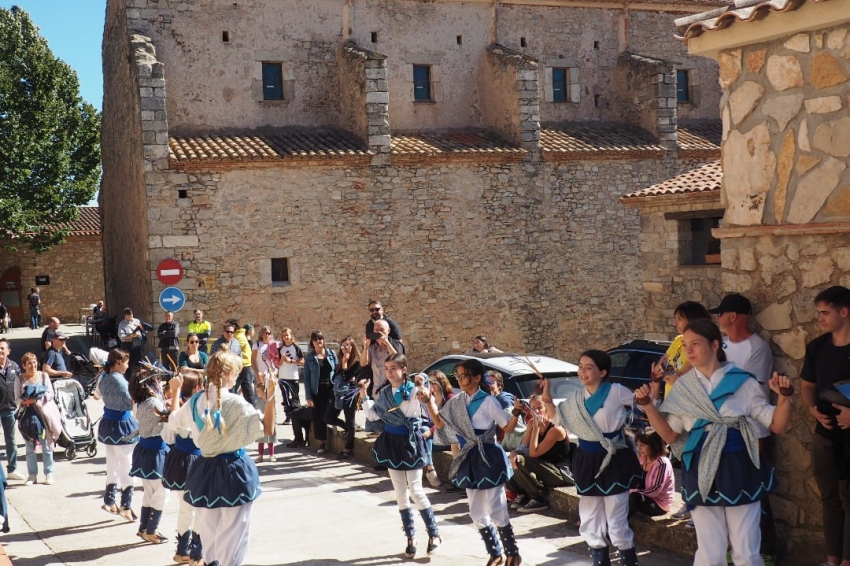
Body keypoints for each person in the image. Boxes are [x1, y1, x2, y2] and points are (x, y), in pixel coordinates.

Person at [635, 319, 792, 566]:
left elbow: (777, 424)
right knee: (710, 552)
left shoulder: (743, 381)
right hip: (701, 468)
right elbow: (670, 435)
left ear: (715, 344)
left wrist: (783, 398)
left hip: (739, 464)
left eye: (695, 344)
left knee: (747, 550)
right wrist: (648, 407)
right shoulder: (683, 387)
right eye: (686, 345)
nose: (688, 350)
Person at [173, 350, 275, 566]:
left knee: (209, 531)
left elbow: (174, 421)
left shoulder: (193, 403)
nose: (237, 377)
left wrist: (175, 393)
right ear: (228, 373)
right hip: (234, 472)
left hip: (205, 471)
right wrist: (272, 395)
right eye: (236, 372)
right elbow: (267, 428)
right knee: (235, 535)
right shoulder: (237, 403)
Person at [541, 350, 643, 566]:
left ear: (603, 372)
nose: (582, 372)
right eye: (580, 366)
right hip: (587, 460)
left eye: (589, 367)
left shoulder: (616, 391)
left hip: (613, 459)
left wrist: (650, 392)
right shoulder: (577, 399)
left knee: (616, 519)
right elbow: (557, 418)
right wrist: (547, 397)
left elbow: (643, 402)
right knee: (589, 518)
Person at [420, 359, 523, 566]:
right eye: (457, 376)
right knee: (475, 510)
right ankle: (494, 553)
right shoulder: (457, 401)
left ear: (477, 378)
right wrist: (428, 402)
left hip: (488, 456)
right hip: (468, 456)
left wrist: (517, 412)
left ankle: (512, 552)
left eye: (464, 375)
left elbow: (508, 427)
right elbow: (440, 423)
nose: (460, 379)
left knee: (496, 505)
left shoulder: (488, 402)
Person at [711, 293, 778, 565]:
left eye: (721, 313)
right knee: (729, 492)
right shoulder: (722, 345)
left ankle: (766, 549)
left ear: (733, 316)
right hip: (722, 433)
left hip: (753, 432)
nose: (717, 318)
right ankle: (735, 548)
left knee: (755, 492)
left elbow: (748, 390)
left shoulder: (757, 347)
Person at [360, 354, 441, 558]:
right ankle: (411, 536)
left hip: (410, 442)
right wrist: (364, 395)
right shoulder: (384, 393)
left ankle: (434, 534)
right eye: (386, 368)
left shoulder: (414, 390)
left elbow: (425, 390)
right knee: (400, 492)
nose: (389, 372)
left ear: (404, 369)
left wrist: (421, 383)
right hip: (391, 442)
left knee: (415, 489)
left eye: (393, 368)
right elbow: (372, 415)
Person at [800, 286, 850, 566]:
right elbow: (808, 385)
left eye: (825, 313)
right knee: (829, 498)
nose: (820, 318)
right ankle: (832, 560)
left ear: (844, 312)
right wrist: (812, 409)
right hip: (825, 435)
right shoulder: (817, 347)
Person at [162, 373, 205, 565]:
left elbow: (168, 436)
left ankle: (183, 550)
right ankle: (195, 553)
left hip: (178, 459)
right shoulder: (193, 406)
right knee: (198, 509)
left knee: (186, 509)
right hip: (193, 461)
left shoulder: (178, 405)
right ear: (196, 389)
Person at [504, 394, 570, 513]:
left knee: (521, 461)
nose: (536, 411)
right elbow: (524, 448)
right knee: (510, 458)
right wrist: (513, 452)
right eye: (533, 408)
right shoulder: (531, 424)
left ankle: (538, 498)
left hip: (559, 471)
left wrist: (536, 429)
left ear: (546, 409)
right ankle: (522, 493)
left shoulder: (555, 429)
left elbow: (533, 454)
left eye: (539, 408)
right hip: (542, 466)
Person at [128, 367, 171, 544]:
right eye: (156, 382)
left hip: (145, 449)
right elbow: (168, 421)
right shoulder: (155, 403)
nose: (159, 384)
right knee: (161, 493)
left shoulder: (139, 404)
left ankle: (143, 528)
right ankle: (151, 530)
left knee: (149, 492)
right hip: (157, 452)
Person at [97, 348, 139, 521]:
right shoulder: (121, 381)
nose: (128, 366)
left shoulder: (103, 377)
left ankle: (109, 500)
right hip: (123, 425)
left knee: (112, 461)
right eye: (127, 363)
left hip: (108, 424)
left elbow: (96, 395)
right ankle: (126, 505)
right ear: (119, 362)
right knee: (127, 463)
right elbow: (132, 403)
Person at [15, 352, 62, 486]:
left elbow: (51, 393)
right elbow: (17, 399)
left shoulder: (43, 375)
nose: (33, 365)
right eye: (29, 363)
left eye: (35, 362)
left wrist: (39, 400)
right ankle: (32, 475)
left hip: (43, 414)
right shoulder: (19, 379)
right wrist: (28, 402)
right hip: (27, 417)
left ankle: (49, 474)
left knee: (46, 445)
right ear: (24, 365)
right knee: (30, 447)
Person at [303, 330, 337, 454]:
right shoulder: (309, 358)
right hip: (317, 390)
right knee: (318, 417)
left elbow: (337, 370)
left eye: (321, 338)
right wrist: (308, 397)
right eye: (316, 339)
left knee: (331, 414)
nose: (319, 341)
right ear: (312, 342)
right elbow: (306, 379)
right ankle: (322, 443)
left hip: (331, 389)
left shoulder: (332, 354)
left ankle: (341, 431)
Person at [327, 336, 362, 459]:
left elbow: (348, 378)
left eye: (347, 345)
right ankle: (347, 428)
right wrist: (343, 364)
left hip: (350, 394)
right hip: (338, 395)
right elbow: (336, 378)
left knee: (350, 420)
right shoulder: (339, 360)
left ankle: (348, 449)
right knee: (328, 418)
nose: (345, 348)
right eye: (343, 346)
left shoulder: (357, 362)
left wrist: (345, 364)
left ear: (352, 347)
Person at [628, 430, 674, 519]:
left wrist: (632, 492)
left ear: (653, 446)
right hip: (644, 497)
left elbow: (655, 490)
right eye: (637, 444)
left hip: (658, 504)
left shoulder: (662, 463)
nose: (639, 448)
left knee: (634, 497)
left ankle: (620, 525)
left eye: (643, 445)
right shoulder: (643, 459)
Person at [252, 326, 277, 463]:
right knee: (261, 416)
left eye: (269, 333)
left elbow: (277, 362)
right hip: (261, 382)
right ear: (261, 334)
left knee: (272, 417)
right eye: (264, 333)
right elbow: (253, 361)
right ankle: (260, 453)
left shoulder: (275, 345)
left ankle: (271, 453)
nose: (267, 335)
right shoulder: (257, 345)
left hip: (272, 382)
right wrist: (257, 376)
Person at [361, 319, 402, 398]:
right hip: (376, 391)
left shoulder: (396, 344)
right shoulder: (371, 348)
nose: (379, 332)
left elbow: (398, 360)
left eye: (382, 330)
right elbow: (363, 363)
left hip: (392, 389)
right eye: (376, 330)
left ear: (388, 331)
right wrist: (365, 347)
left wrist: (387, 343)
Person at [0, 340, 23, 481]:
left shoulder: (14, 366)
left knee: (11, 441)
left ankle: (12, 469)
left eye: (3, 348)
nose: (0, 351)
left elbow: (21, 385)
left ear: (8, 351)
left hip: (9, 409)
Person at [276, 328, 304, 425]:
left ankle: (298, 417)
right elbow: (278, 364)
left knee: (295, 398)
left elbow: (302, 361)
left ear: (291, 335)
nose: (286, 337)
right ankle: (288, 417)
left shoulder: (296, 348)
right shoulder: (280, 349)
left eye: (287, 335)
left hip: (293, 377)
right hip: (283, 377)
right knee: (286, 398)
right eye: (284, 336)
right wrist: (282, 360)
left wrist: (291, 361)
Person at [231, 321, 256, 405]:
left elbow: (234, 350)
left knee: (233, 386)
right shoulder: (240, 335)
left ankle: (232, 404)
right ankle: (252, 406)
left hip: (242, 365)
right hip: (245, 364)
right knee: (246, 386)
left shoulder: (238, 336)